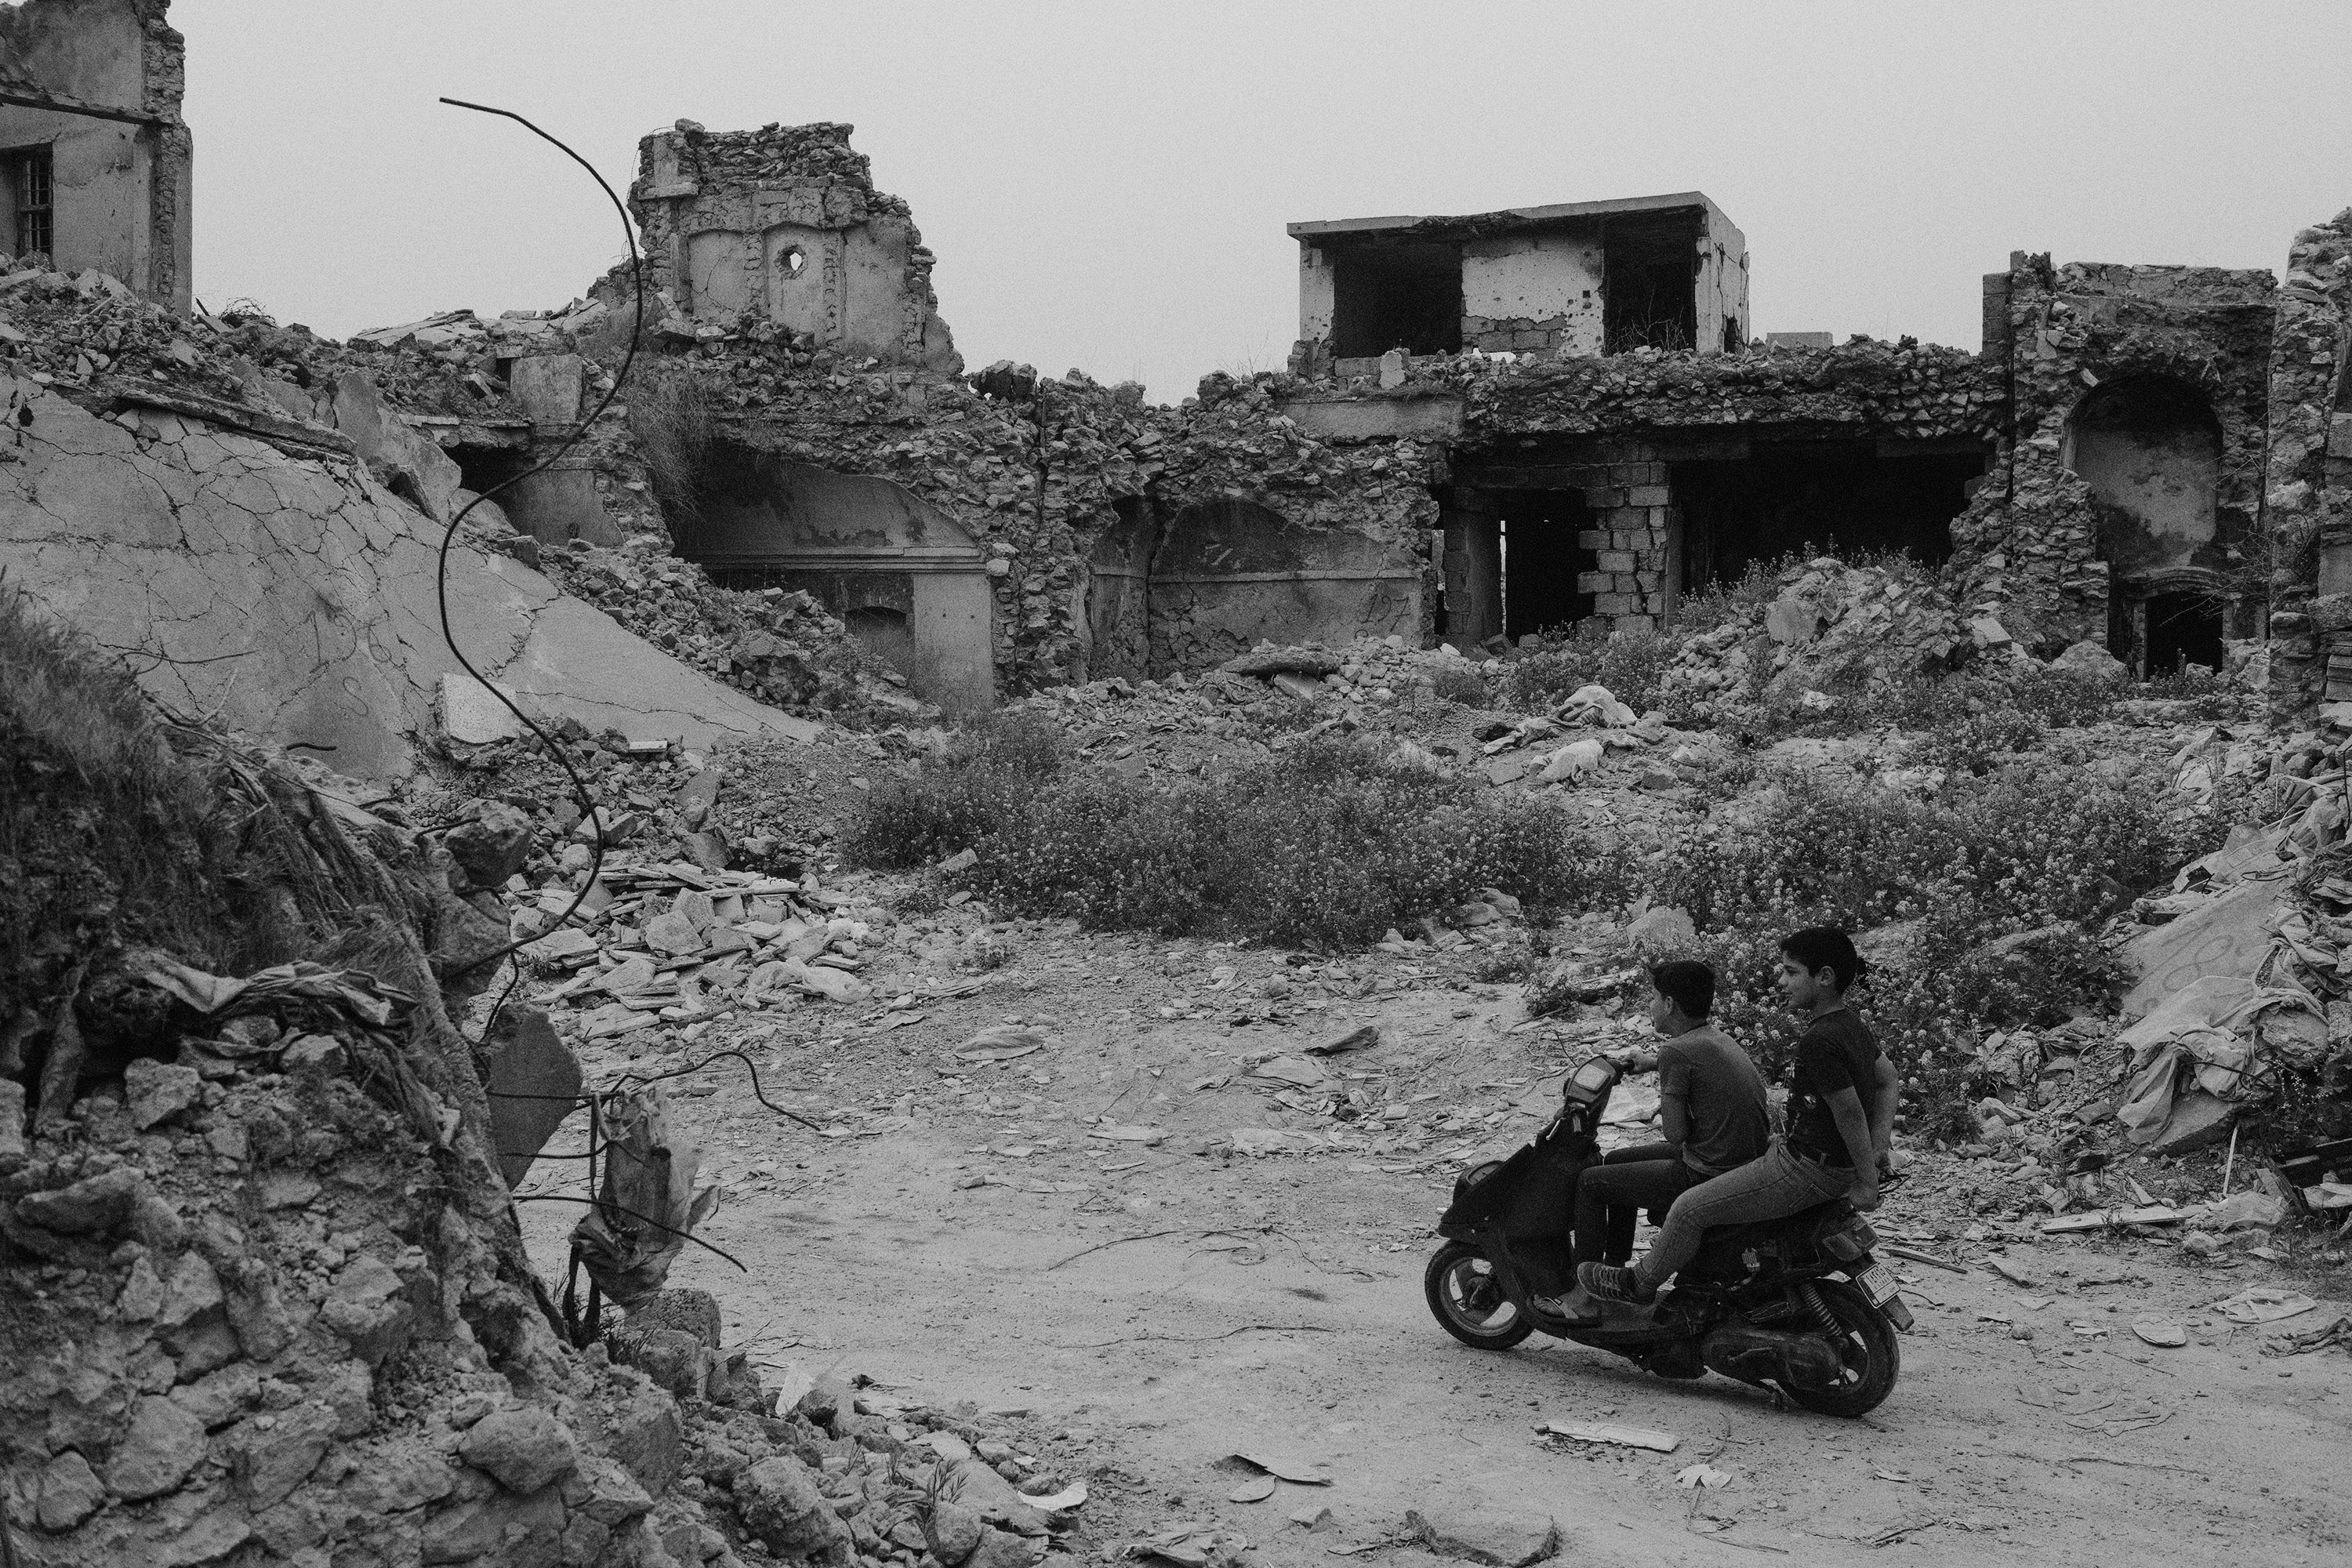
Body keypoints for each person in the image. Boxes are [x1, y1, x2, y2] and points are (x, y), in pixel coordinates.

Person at [1577, 927, 1897, 1306]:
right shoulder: (1849, 1025)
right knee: (1626, 1170)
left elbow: (1848, 1113)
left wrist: (1868, 1180)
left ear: (1824, 977)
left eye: (1791, 972)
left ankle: (1640, 1285)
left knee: (1687, 1210)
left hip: (1806, 1169)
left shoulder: (1819, 1041)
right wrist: (1876, 1151)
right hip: (1804, 1155)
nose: (1781, 981)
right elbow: (1888, 1080)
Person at [1527, 960, 1767, 1316]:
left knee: (1591, 1182)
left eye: (1653, 999)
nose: (1650, 1006)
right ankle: (1613, 1271)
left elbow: (1675, 1133)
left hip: (1707, 1171)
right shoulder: (1712, 1038)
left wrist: (1668, 1093)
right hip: (1734, 1158)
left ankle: (1585, 1295)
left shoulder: (1676, 1052)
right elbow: (1693, 1065)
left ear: (1669, 1004)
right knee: (1614, 1162)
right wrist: (1651, 1063)